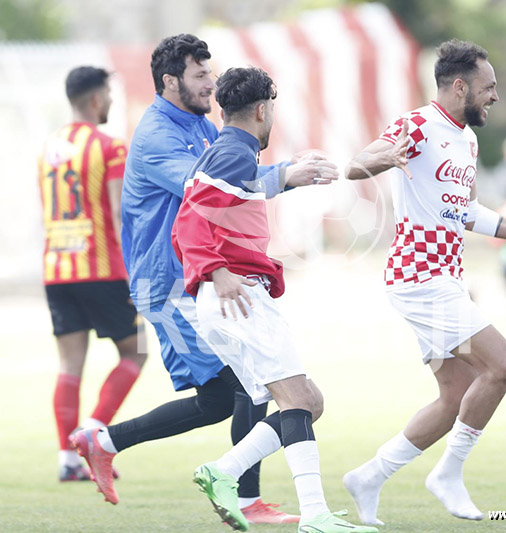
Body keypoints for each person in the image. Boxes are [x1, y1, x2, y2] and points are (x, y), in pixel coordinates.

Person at [71, 34, 330, 523]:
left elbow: (230, 187)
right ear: (170, 82)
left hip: (199, 278)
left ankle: (103, 441)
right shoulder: (154, 135)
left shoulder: (201, 124)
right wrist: (285, 176)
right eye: (199, 75)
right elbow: (202, 186)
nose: (211, 84)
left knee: (227, 395)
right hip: (167, 284)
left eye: (211, 74)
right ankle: (244, 497)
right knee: (250, 386)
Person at [342, 39, 506, 525]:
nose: (495, 96)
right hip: (418, 276)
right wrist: (384, 159)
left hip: (444, 278)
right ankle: (448, 474)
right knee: (502, 366)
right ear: (461, 86)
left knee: (455, 398)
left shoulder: (467, 139)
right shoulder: (417, 124)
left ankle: (369, 476)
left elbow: (468, 213)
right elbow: (354, 166)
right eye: (489, 87)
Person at [171, 66, 377, 533]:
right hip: (237, 294)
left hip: (228, 297)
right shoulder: (232, 153)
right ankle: (315, 516)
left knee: (306, 401)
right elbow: (188, 221)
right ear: (263, 110)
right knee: (300, 399)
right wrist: (217, 271)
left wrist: (288, 175)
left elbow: (234, 193)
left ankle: (224, 471)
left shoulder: (229, 152)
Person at [38, 66, 147, 482]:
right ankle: (92, 433)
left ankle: (67, 460)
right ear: (97, 99)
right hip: (101, 268)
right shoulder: (110, 147)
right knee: (136, 350)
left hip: (57, 269)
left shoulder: (47, 147)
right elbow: (120, 212)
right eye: (110, 95)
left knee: (69, 365)